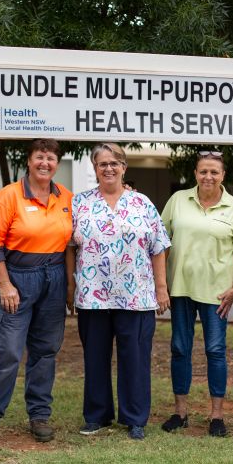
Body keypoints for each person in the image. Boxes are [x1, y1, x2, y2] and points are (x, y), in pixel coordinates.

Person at [66, 142, 171, 441]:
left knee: (135, 357)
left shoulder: (142, 203)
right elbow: (70, 247)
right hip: (92, 295)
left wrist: (161, 289)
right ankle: (97, 415)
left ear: (124, 167)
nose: (108, 168)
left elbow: (158, 247)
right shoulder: (81, 203)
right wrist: (71, 287)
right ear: (95, 168)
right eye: (102, 164)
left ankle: (135, 417)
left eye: (115, 163)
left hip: (136, 295)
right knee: (95, 357)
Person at [0, 139, 72, 445]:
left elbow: (71, 244)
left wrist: (69, 286)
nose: (45, 163)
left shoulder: (66, 197)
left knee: (45, 351)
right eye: (40, 157)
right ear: (29, 161)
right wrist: (4, 285)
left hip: (54, 279)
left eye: (51, 158)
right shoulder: (8, 196)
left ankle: (39, 414)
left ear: (57, 163)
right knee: (9, 352)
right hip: (17, 278)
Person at [159, 150, 233, 437]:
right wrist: (161, 283)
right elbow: (161, 243)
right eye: (203, 171)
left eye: (214, 172)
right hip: (181, 288)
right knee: (180, 349)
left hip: (217, 293)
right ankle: (180, 411)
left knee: (215, 350)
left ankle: (217, 416)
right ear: (195, 174)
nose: (208, 176)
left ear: (223, 175)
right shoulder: (177, 201)